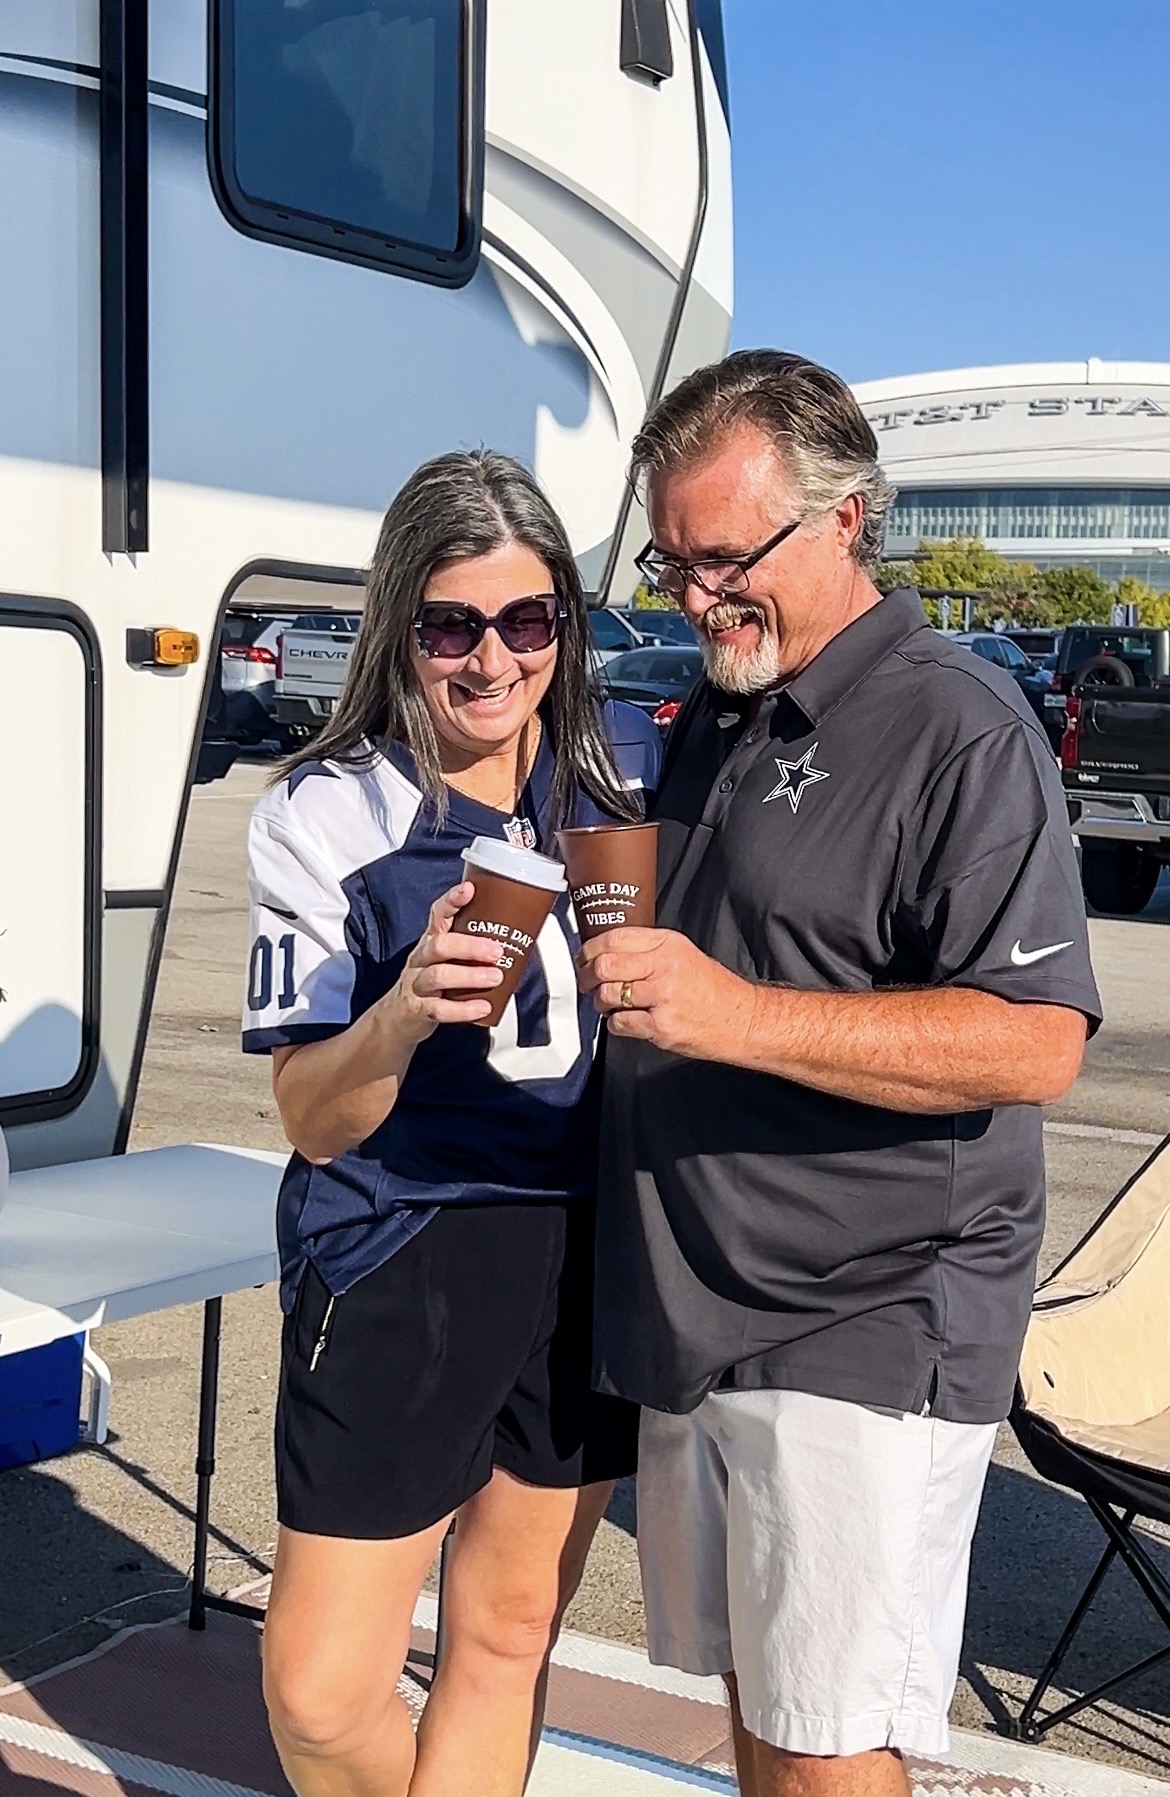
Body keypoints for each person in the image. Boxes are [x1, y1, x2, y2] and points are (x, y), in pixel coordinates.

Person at [580, 350, 1102, 1797]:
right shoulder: (722, 708)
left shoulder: (958, 725)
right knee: (764, 1714)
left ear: (847, 517)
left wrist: (731, 1012)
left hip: (864, 1311)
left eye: (723, 557)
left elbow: (1030, 1039)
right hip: (699, 1308)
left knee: (827, 1753)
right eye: (671, 559)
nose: (693, 596)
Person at [242, 450, 656, 1797]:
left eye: (527, 621)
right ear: (398, 628)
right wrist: (403, 1009)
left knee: (505, 1630)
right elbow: (311, 1115)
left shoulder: (618, 779)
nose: (491, 660)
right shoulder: (323, 808)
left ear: (565, 627)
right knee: (319, 1692)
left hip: (584, 1253)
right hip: (399, 1250)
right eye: (450, 626)